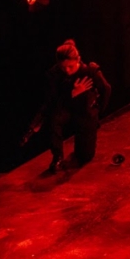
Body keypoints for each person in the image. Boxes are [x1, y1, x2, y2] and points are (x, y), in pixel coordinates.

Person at [24, 39, 111, 174]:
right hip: (66, 108)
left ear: (78, 60)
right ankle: (57, 157)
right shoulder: (54, 74)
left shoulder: (89, 70)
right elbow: (52, 100)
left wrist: (98, 110)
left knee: (85, 156)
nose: (67, 70)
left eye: (70, 66)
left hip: (85, 112)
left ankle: (82, 147)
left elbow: (106, 88)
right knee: (54, 119)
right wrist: (72, 93)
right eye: (63, 67)